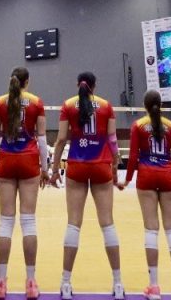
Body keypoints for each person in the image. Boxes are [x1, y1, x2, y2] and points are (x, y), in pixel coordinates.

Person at [49, 72, 123, 300]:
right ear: (95, 85)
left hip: (78, 166)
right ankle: (118, 284)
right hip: (101, 165)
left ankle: (65, 283)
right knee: (107, 224)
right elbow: (112, 140)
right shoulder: (107, 106)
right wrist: (114, 167)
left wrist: (54, 169)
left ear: (77, 84)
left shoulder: (68, 105)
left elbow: (61, 139)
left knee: (74, 224)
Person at [0, 66, 49, 300]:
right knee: (28, 222)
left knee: (5, 222)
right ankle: (31, 283)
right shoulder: (37, 102)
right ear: (27, 82)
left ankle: (1, 282)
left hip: (6, 162)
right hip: (29, 162)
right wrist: (46, 169)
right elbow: (42, 139)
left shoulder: (0, 102)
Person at [118, 90, 171, 300]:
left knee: (151, 230)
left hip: (147, 177)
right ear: (161, 104)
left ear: (144, 105)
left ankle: (154, 286)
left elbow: (133, 156)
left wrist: (127, 180)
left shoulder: (138, 125)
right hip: (167, 176)